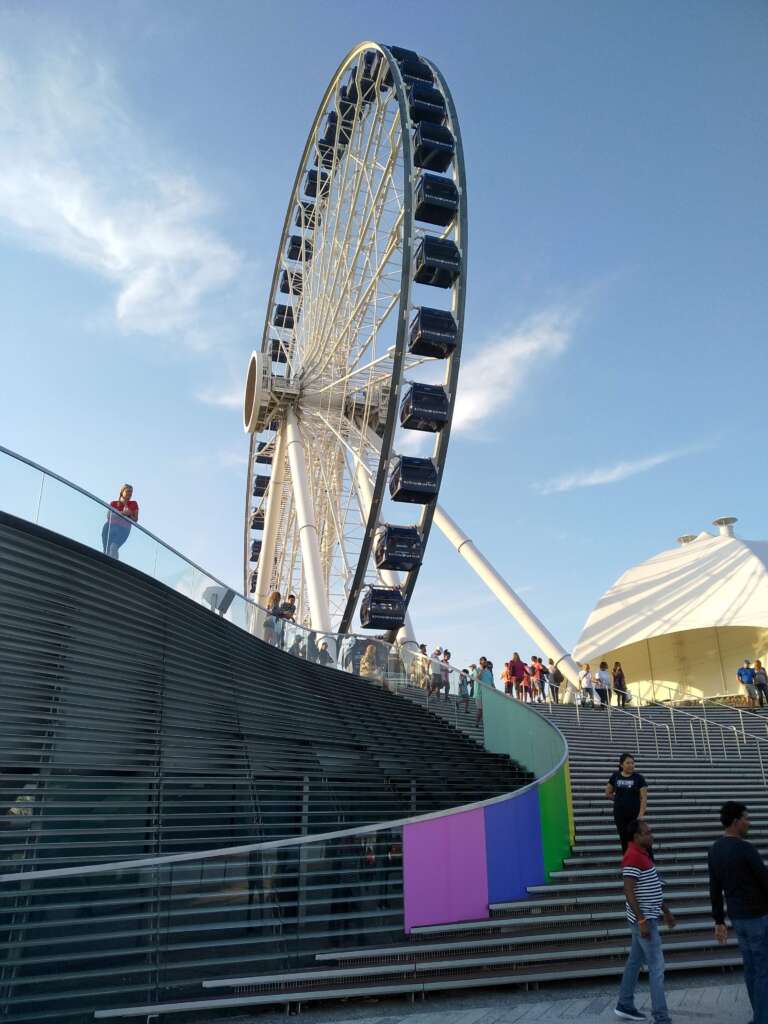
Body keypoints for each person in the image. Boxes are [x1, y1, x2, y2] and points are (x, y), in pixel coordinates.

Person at [708, 801, 768, 1024]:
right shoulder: (745, 848)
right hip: (758, 916)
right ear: (736, 821)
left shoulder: (715, 849)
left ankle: (759, 1016)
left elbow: (714, 887)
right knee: (763, 971)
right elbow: (765, 881)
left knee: (751, 969)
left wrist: (719, 920)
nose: (749, 822)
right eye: (746, 818)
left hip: (737, 917)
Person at [616, 819, 675, 1023]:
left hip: (648, 917)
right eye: (647, 832)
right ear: (637, 837)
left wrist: (666, 911)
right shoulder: (632, 857)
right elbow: (628, 890)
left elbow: (652, 887)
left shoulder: (643, 854)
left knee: (634, 963)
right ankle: (661, 1017)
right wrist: (641, 920)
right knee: (657, 967)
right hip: (645, 921)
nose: (651, 835)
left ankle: (624, 1004)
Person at [606, 753, 648, 852]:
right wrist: (619, 800)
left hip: (635, 815)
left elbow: (644, 798)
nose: (631, 765)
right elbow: (608, 794)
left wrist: (641, 815)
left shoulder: (639, 778)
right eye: (628, 763)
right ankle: (628, 863)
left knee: (639, 839)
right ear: (621, 765)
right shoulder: (615, 776)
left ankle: (645, 863)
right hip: (620, 815)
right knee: (624, 840)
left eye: (632, 763)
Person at [101, 484, 139, 559]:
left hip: (123, 529)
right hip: (109, 527)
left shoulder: (133, 504)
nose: (130, 494)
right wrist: (122, 513)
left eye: (131, 492)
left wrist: (130, 514)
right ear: (122, 491)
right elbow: (109, 516)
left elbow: (135, 520)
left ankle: (114, 565)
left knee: (113, 547)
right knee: (106, 550)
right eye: (128, 491)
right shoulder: (113, 503)